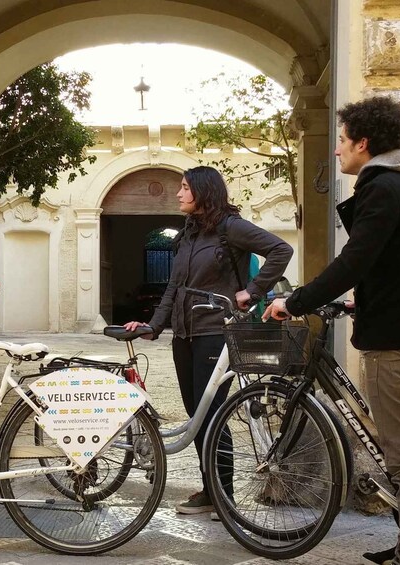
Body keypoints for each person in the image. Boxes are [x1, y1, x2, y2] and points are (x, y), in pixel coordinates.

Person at [263, 96, 400, 565]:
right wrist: (357, 299)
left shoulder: (383, 190)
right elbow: (398, 266)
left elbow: (354, 261)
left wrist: (294, 300)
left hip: (394, 344)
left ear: (364, 143)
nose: (338, 151)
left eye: (342, 141)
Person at [124, 165, 293, 516]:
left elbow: (280, 250)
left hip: (214, 332)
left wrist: (252, 290)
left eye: (185, 188)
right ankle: (210, 488)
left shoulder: (231, 227)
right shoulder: (189, 234)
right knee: (195, 414)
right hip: (184, 334)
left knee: (213, 414)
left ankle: (223, 495)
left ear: (203, 191)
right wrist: (154, 325)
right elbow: (175, 286)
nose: (179, 193)